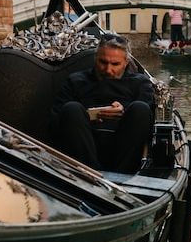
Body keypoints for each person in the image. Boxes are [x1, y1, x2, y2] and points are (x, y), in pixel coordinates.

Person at [50, 33, 154, 173]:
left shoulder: (140, 83)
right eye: (103, 62)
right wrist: (87, 116)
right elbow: (55, 121)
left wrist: (124, 111)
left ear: (126, 63)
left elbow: (148, 121)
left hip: (124, 151)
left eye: (115, 64)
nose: (108, 70)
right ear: (95, 59)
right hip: (82, 150)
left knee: (140, 108)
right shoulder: (75, 81)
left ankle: (120, 176)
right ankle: (91, 174)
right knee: (71, 109)